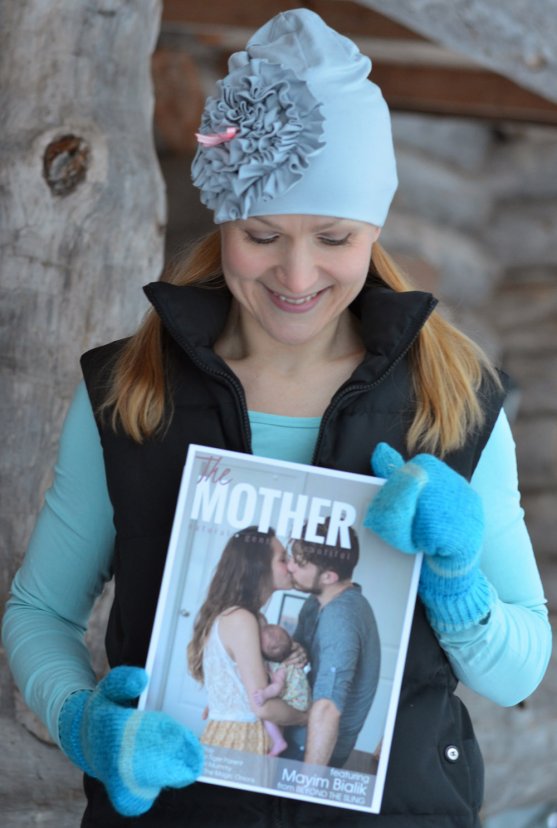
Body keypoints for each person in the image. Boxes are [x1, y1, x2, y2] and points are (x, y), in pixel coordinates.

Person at [1, 7, 551, 828]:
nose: (297, 274)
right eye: (261, 235)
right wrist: (86, 723)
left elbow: (519, 673)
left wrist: (456, 579)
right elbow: (39, 614)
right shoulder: (131, 390)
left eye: (334, 237)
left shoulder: (453, 401)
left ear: (375, 229)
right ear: (223, 217)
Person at [187, 527, 306, 755]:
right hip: (243, 740)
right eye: (283, 559)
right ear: (258, 569)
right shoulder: (241, 619)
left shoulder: (251, 618)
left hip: (243, 734)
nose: (291, 564)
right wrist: (307, 716)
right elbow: (263, 707)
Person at [284, 521, 381, 768]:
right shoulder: (317, 602)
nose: (290, 566)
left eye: (299, 562)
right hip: (296, 734)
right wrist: (295, 652)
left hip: (311, 751)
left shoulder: (341, 618)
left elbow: (328, 707)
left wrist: (307, 787)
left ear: (329, 576)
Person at [253, 623, 311, 756]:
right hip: (305, 698)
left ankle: (279, 742)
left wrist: (264, 695)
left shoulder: (281, 669)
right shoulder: (292, 662)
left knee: (266, 715)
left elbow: (277, 688)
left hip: (297, 702)